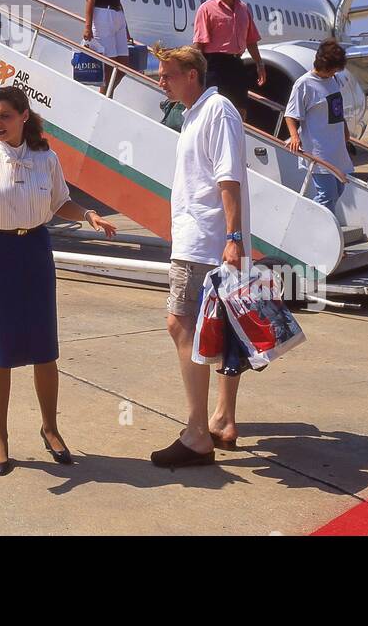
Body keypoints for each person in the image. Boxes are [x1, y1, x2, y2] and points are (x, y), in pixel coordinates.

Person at [0, 86, 117, 475]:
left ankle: (50, 427)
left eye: (4, 116)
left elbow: (59, 202)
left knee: (44, 347)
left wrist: (89, 215)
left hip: (35, 251)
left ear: (23, 117)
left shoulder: (46, 158)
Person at [150, 44, 251, 468]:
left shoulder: (217, 111)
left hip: (204, 241)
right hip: (203, 238)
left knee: (180, 323)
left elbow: (228, 176)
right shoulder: (194, 113)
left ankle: (195, 434)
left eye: (167, 74)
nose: (161, 80)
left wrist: (232, 236)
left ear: (192, 74)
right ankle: (222, 420)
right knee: (222, 329)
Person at [283, 40, 353, 214]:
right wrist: (294, 136)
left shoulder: (333, 79)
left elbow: (336, 109)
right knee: (327, 195)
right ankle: (311, 226)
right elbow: (290, 114)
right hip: (319, 150)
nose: (335, 72)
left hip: (336, 148)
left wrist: (344, 129)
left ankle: (318, 225)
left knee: (338, 191)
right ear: (323, 64)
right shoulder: (304, 84)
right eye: (333, 69)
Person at [192, 0, 266, 117]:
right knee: (213, 109)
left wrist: (259, 64)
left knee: (240, 110)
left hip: (236, 63)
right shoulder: (206, 9)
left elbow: (251, 40)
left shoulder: (243, 9)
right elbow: (199, 45)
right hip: (214, 65)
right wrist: (196, 72)